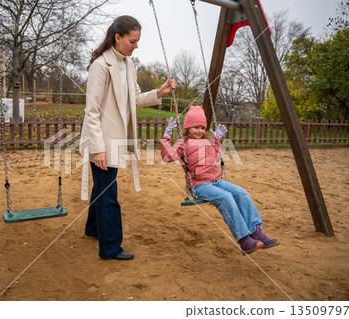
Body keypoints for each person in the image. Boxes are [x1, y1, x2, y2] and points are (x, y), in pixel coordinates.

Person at [79, 16, 176, 261]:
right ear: (118, 37)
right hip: (101, 140)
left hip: (116, 140)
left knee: (103, 186)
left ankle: (93, 229)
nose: (136, 46)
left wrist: (159, 92)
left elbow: (134, 99)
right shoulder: (100, 66)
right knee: (108, 192)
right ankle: (110, 248)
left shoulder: (128, 65)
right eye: (132, 41)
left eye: (138, 42)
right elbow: (91, 112)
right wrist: (98, 149)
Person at [160, 106, 279, 255]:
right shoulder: (182, 143)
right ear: (187, 128)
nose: (200, 131)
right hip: (199, 185)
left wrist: (217, 140)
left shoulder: (207, 141)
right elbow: (167, 157)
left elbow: (216, 157)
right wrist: (167, 136)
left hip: (216, 181)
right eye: (196, 127)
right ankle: (244, 239)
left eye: (203, 128)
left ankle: (256, 232)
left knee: (241, 193)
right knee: (226, 197)